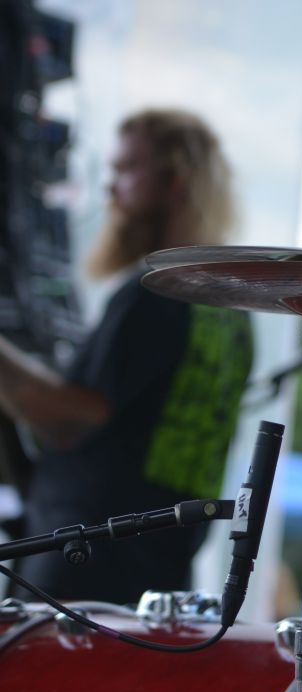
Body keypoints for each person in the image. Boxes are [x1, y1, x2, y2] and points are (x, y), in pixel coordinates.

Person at [0, 109, 254, 604]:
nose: (110, 186)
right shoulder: (231, 309)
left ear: (174, 181)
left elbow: (72, 420)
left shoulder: (157, 293)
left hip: (83, 576)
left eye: (126, 169)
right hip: (158, 577)